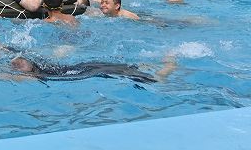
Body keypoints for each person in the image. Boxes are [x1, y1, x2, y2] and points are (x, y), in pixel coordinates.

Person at [9, 56, 175, 83]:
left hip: (85, 70)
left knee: (154, 81)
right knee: (125, 69)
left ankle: (168, 67)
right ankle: (150, 66)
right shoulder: (44, 68)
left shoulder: (36, 76)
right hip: (83, 68)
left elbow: (8, 77)